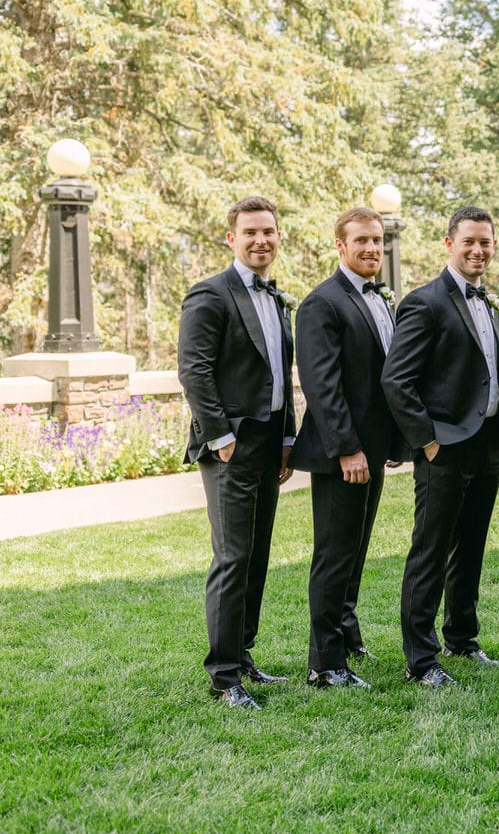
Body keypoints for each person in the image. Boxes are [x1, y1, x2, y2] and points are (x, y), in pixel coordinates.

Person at [382, 206, 499, 689]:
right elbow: (397, 380)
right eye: (469, 242)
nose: (478, 250)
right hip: (445, 448)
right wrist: (428, 441)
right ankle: (421, 659)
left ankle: (462, 637)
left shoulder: (487, 301)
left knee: (472, 547)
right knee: (430, 551)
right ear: (449, 244)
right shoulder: (426, 302)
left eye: (485, 242)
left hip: (487, 446)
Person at [178, 195, 297, 710]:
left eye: (268, 231)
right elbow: (194, 371)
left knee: (257, 554)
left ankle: (243, 655)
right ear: (232, 238)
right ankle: (224, 677)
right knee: (233, 557)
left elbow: (279, 375)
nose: (261, 240)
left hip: (270, 443)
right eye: (250, 232)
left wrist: (288, 437)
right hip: (230, 447)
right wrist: (221, 437)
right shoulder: (210, 295)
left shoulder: (276, 299)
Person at [288, 207, 407, 690]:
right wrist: (348, 450)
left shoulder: (379, 298)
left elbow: (385, 380)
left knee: (355, 550)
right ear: (340, 246)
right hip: (345, 454)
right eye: (361, 241)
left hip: (374, 450)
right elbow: (323, 386)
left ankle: (347, 633)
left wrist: (392, 441)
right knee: (335, 554)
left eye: (377, 241)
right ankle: (325, 663)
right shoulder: (322, 303)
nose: (372, 249)